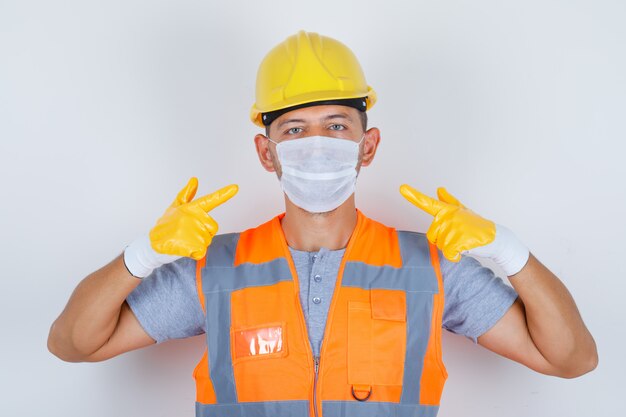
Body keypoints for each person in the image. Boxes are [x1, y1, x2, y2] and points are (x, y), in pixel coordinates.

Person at [48, 30, 597, 416]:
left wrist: (508, 253)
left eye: (336, 125)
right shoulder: (212, 269)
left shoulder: (432, 269)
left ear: (368, 145)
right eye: (294, 129)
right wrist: (142, 255)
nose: (317, 145)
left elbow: (572, 359)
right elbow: (72, 345)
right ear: (267, 154)